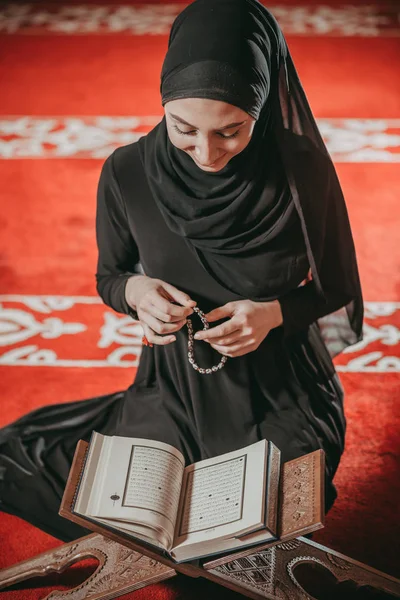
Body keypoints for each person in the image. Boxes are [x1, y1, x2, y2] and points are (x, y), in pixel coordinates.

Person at [0, 0, 363, 544]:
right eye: (184, 128)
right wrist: (137, 291)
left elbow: (336, 287)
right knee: (141, 518)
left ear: (261, 109)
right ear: (164, 104)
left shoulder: (302, 171)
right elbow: (110, 276)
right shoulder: (127, 170)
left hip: (282, 386)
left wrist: (272, 314)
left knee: (270, 521)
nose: (207, 153)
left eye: (231, 131)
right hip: (170, 385)